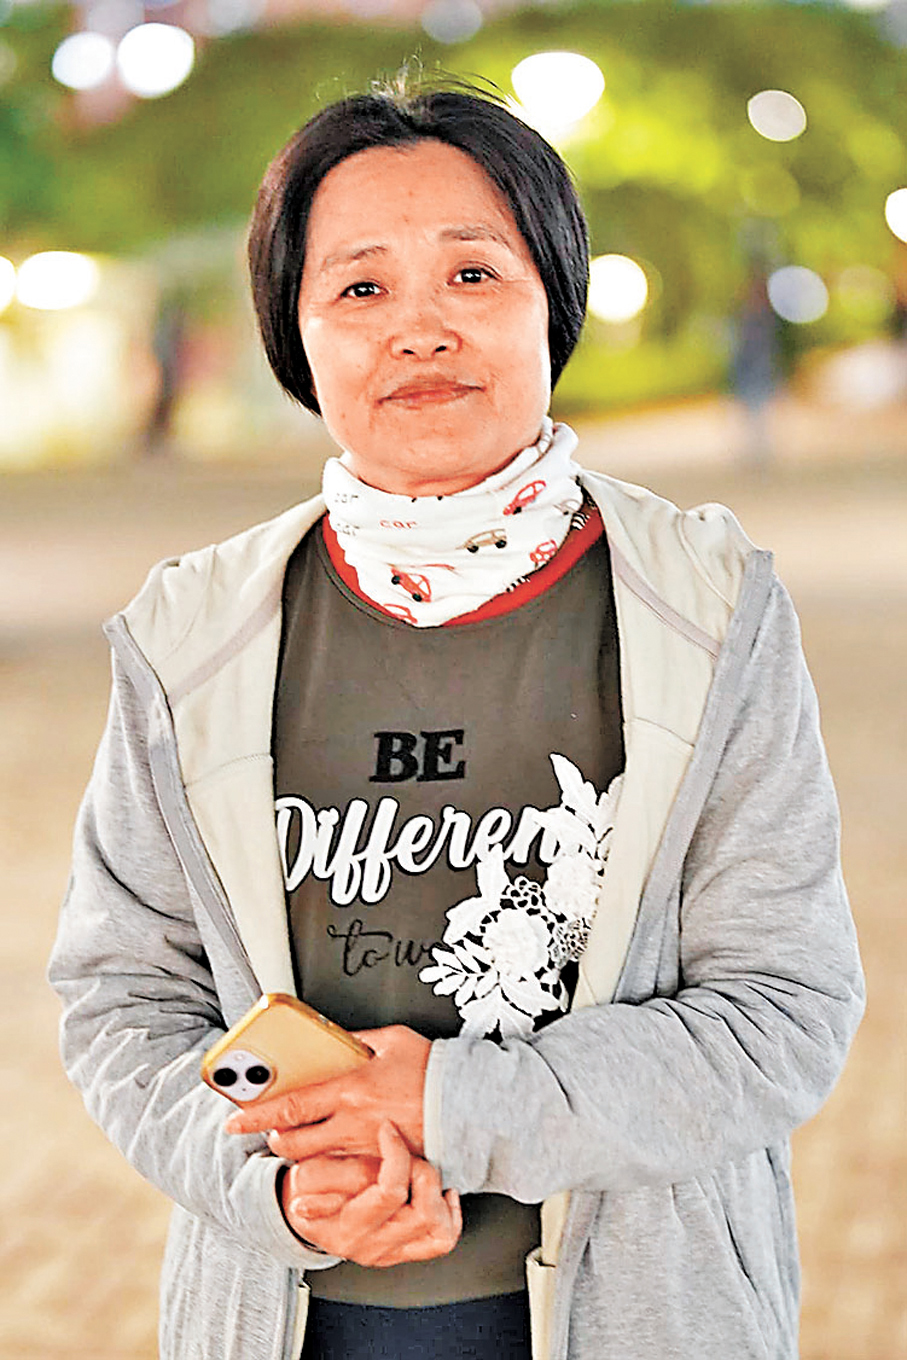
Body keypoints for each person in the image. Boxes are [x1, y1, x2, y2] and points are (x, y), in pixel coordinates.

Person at [49, 80, 864, 1360]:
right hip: (288, 1319)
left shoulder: (708, 610)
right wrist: (276, 1186)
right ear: (296, 338)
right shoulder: (189, 635)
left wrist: (452, 1101)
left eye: (473, 274)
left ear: (553, 302)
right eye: (360, 288)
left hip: (643, 1316)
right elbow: (125, 999)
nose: (418, 329)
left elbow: (779, 1010)